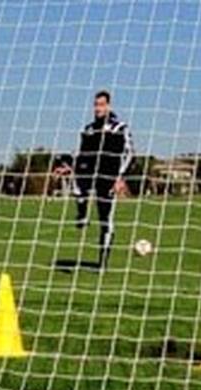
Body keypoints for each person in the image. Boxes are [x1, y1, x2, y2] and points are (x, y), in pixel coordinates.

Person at [54, 90, 133, 269]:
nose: (98, 108)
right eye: (95, 105)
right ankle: (82, 215)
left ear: (108, 106)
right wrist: (70, 167)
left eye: (101, 105)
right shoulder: (88, 130)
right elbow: (83, 155)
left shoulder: (119, 127)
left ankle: (102, 262)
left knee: (106, 219)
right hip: (89, 174)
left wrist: (120, 177)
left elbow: (129, 153)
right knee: (78, 187)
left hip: (109, 177)